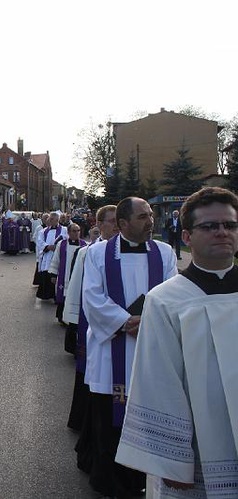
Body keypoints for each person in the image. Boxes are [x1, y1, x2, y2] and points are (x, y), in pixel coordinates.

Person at [116, 187, 238, 498]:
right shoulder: (166, 300)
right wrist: (171, 461)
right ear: (186, 237)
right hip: (199, 446)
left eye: (230, 225)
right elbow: (156, 382)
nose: (222, 232)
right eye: (210, 226)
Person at [82, 197, 177, 498]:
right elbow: (92, 297)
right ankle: (108, 481)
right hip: (111, 352)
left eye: (150, 215)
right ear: (122, 224)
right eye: (142, 216)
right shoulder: (97, 254)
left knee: (146, 421)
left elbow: (173, 293)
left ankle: (142, 480)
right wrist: (124, 322)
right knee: (108, 425)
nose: (150, 221)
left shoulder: (164, 253)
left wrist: (148, 321)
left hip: (150, 349)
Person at [63, 205, 118, 478]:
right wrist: (72, 317)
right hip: (94, 327)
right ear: (100, 224)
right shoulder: (89, 252)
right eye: (112, 222)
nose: (118, 227)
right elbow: (77, 288)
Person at [49, 223, 86, 323]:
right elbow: (56, 259)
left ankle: (73, 319)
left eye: (78, 231)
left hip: (77, 276)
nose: (77, 233)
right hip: (64, 276)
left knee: (75, 296)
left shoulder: (84, 245)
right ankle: (61, 317)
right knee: (63, 296)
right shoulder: (62, 244)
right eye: (74, 231)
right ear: (69, 232)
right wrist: (53, 274)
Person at [36, 211, 68, 300]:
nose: (50, 221)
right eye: (50, 219)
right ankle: (46, 295)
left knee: (56, 274)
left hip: (57, 255)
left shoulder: (64, 230)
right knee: (47, 274)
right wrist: (47, 247)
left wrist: (58, 247)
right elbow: (39, 241)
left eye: (52, 219)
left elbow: (66, 239)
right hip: (47, 254)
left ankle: (56, 295)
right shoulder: (43, 231)